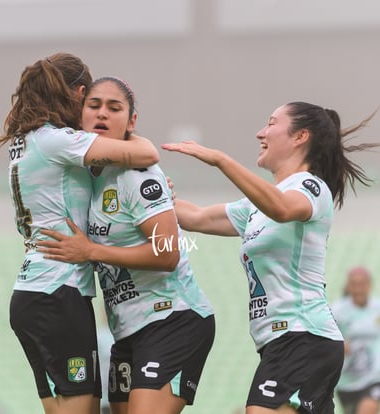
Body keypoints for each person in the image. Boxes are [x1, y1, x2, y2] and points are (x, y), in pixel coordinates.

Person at [161, 101, 379, 413]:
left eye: (271, 123)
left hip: (303, 335)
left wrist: (220, 160)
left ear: (300, 136)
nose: (260, 132)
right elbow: (194, 217)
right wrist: (152, 189)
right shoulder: (255, 207)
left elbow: (283, 208)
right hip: (282, 342)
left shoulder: (310, 187)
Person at [0, 53, 159, 414]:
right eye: (92, 102)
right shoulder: (59, 141)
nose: (97, 113)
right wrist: (125, 128)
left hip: (31, 293)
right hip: (59, 293)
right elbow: (146, 152)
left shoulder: (27, 141)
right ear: (79, 93)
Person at [36, 76, 216, 414]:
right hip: (127, 331)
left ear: (131, 121)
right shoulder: (85, 176)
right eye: (94, 105)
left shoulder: (139, 175)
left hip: (173, 319)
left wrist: (92, 251)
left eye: (114, 108)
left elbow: (167, 254)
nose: (102, 113)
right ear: (80, 116)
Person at [332, 266, 380, 414]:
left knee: (368, 409)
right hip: (347, 381)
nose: (358, 289)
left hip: (373, 377)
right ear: (348, 286)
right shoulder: (337, 311)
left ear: (369, 285)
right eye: (354, 284)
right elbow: (324, 341)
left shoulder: (377, 308)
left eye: (362, 284)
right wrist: (339, 345)